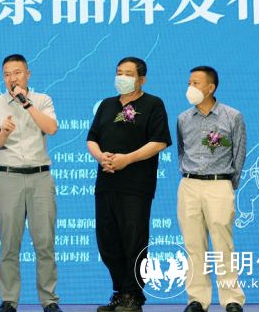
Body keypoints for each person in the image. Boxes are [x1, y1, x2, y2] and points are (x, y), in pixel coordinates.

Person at [86, 57, 171, 312]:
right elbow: (92, 138)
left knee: (134, 240)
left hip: (136, 185)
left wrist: (127, 159)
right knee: (107, 241)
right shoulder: (106, 105)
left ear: (141, 79)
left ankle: (133, 295)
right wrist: (100, 156)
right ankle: (120, 292)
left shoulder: (153, 104)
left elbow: (159, 142)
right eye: (119, 72)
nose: (121, 77)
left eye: (128, 73)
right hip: (106, 182)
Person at [0, 54, 62, 312]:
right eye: (7, 74)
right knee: (9, 244)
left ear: (28, 74)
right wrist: (4, 132)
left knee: (45, 242)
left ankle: (49, 300)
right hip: (8, 177)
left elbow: (51, 128)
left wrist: (26, 104)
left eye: (17, 73)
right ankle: (9, 300)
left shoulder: (42, 100)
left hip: (40, 177)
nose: (12, 78)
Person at [177, 66, 246, 312]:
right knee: (193, 244)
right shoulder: (183, 118)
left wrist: (228, 183)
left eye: (196, 83)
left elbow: (239, 153)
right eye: (189, 83)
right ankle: (197, 299)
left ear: (210, 87)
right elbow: (182, 152)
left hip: (219, 184)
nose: (190, 87)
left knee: (223, 244)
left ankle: (232, 299)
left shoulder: (232, 116)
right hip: (189, 184)